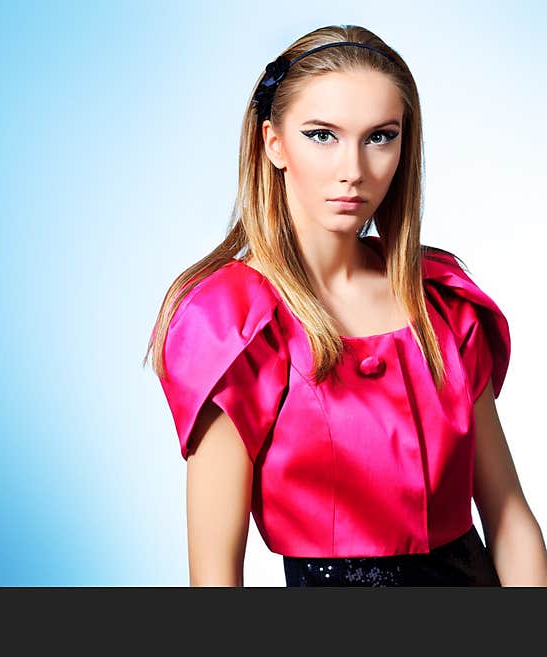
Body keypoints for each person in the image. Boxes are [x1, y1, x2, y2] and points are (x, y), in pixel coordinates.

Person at [144, 24, 547, 587]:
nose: (353, 169)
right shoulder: (235, 325)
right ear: (273, 143)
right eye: (322, 135)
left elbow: (509, 519)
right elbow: (214, 578)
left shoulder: (443, 305)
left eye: (380, 136)